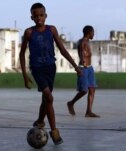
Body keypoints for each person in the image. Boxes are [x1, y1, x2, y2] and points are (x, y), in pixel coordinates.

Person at [19, 3, 81, 145]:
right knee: (49, 97)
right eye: (36, 16)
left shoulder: (52, 30)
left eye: (41, 15)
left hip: (50, 67)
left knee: (46, 100)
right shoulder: (29, 32)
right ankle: (54, 131)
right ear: (32, 18)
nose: (39, 18)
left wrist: (75, 66)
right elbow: (22, 54)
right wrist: (24, 76)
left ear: (45, 16)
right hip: (37, 68)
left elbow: (62, 49)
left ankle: (40, 120)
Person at [67, 25, 100, 118]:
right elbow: (81, 53)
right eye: (93, 32)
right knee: (84, 90)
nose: (93, 34)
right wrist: (81, 66)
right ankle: (71, 103)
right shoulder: (82, 42)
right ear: (89, 32)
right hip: (83, 68)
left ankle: (89, 111)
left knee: (92, 89)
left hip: (89, 68)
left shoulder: (87, 42)